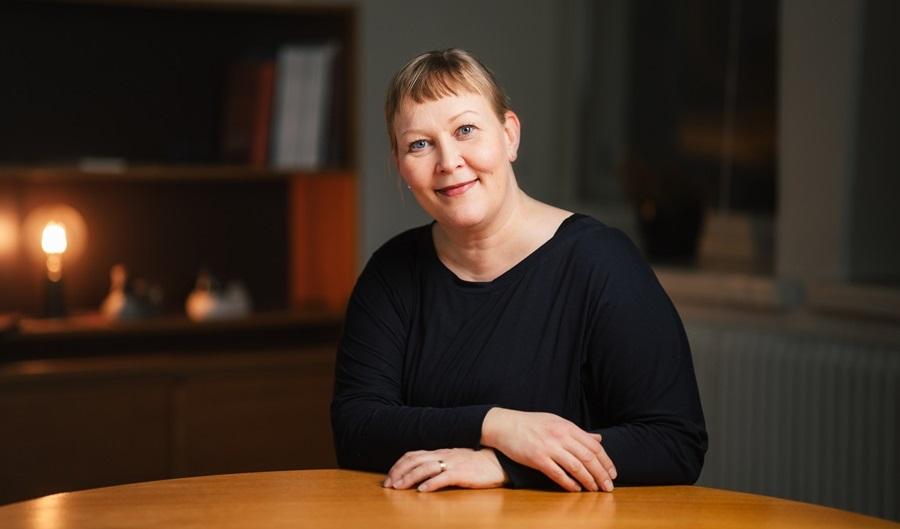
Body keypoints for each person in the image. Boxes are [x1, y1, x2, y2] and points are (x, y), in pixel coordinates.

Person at [331, 48, 707, 493]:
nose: (448, 161)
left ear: (509, 135)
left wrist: (503, 466)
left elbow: (673, 442)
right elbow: (356, 431)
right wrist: (496, 426)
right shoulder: (390, 272)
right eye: (419, 144)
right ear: (400, 166)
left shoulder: (601, 262)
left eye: (465, 130)